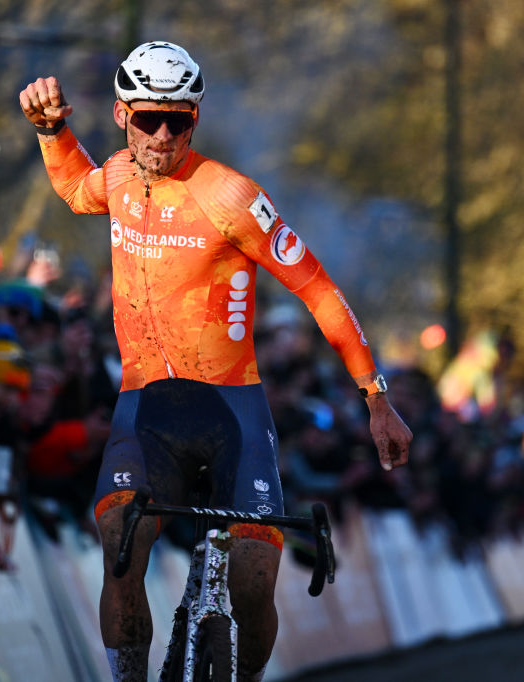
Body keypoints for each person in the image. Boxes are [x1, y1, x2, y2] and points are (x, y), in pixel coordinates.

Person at [20, 40, 413, 681]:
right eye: (150, 118)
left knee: (256, 586)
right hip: (145, 407)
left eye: (180, 120)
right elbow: (73, 187)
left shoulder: (229, 195)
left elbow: (317, 288)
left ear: (195, 120)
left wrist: (376, 397)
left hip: (232, 409)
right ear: (122, 114)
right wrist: (52, 130)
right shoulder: (118, 177)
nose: (165, 135)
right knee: (120, 545)